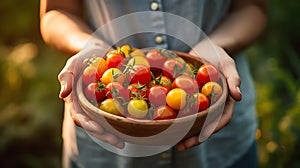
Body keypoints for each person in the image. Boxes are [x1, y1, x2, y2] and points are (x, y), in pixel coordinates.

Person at [40, 0, 268, 167]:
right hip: (104, 156)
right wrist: (89, 46)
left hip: (222, 148)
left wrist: (218, 45)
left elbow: (252, 7)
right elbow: (56, 11)